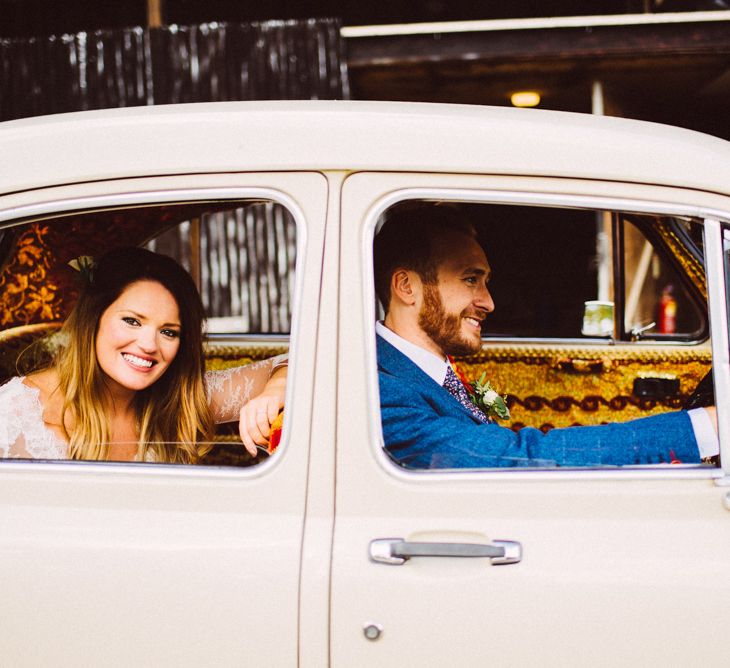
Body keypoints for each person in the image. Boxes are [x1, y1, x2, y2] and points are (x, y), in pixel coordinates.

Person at [373, 206, 719, 469]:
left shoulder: (435, 369)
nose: (488, 302)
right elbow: (514, 458)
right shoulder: (379, 392)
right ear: (407, 287)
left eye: (485, 282)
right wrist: (705, 428)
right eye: (469, 279)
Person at [0, 247, 287, 463]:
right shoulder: (15, 412)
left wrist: (275, 389)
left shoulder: (180, 398)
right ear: (93, 320)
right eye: (132, 321)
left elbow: (303, 364)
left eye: (169, 332)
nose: (149, 345)